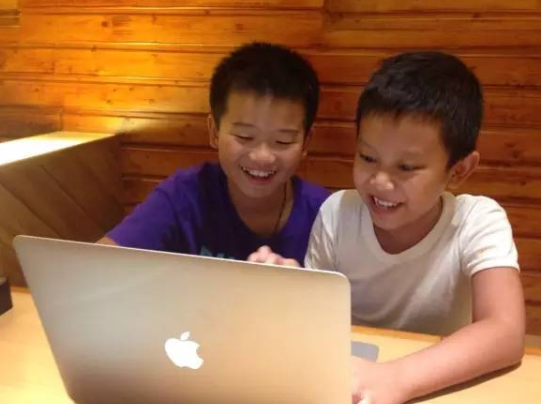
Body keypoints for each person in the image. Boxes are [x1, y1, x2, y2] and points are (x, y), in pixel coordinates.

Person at [249, 51, 525, 404]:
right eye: (368, 158)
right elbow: (317, 325)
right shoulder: (338, 213)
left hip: (438, 385)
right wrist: (291, 289)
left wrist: (396, 378)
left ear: (458, 171)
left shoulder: (477, 221)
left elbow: (505, 331)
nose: (379, 182)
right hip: (353, 382)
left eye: (406, 167)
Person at [98, 42, 330, 264]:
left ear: (306, 142)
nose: (262, 156)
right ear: (214, 131)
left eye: (282, 141)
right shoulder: (184, 196)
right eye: (245, 137)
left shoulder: (326, 215)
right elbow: (100, 263)